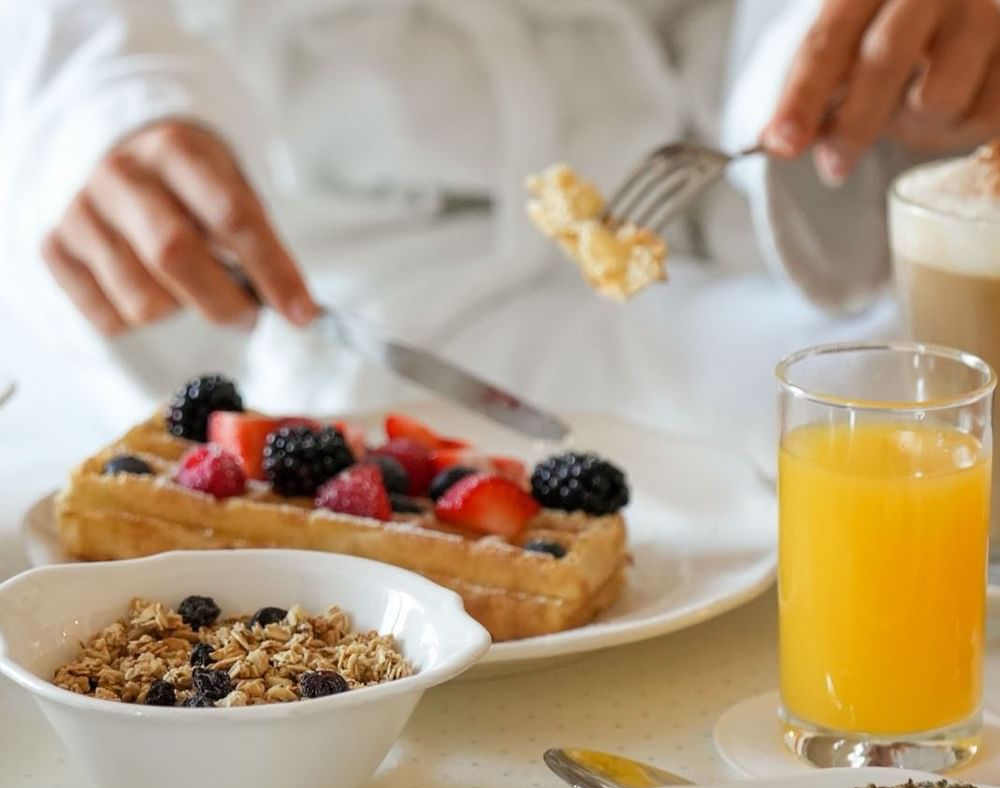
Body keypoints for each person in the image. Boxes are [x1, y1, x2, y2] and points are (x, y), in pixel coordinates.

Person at [1, 0, 999, 454]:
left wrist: (857, 49)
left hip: (723, 225)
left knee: (933, 440)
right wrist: (108, 112)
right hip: (337, 255)